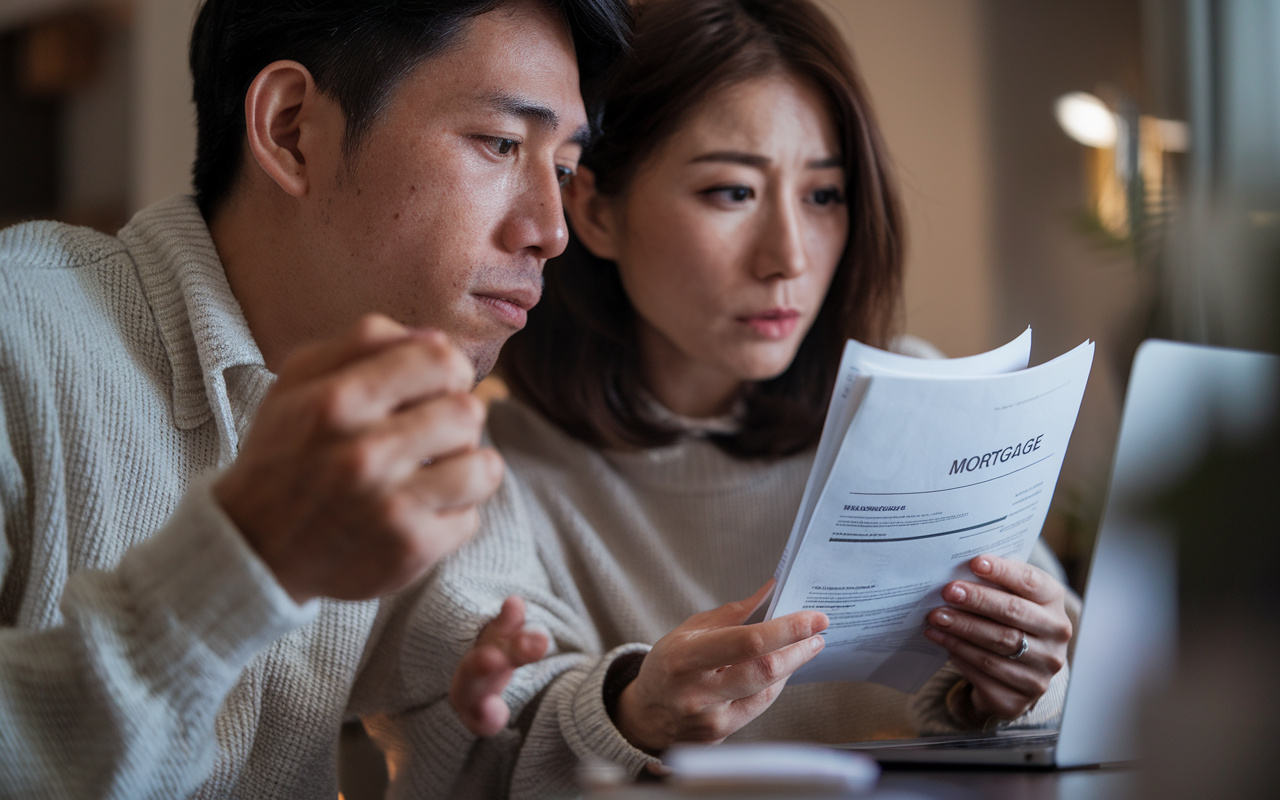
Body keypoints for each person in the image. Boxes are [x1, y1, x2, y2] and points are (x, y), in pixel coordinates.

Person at [365, 0, 1081, 796]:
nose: (788, 257)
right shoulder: (484, 460)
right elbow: (464, 761)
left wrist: (1022, 686)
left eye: (823, 197)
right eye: (732, 193)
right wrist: (632, 713)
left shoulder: (917, 402)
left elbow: (1075, 697)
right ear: (596, 211)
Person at [0, 0, 628, 797]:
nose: (551, 228)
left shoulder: (421, 403)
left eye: (564, 169)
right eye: (501, 143)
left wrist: (632, 710)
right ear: (292, 128)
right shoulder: (18, 330)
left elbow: (498, 721)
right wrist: (250, 558)